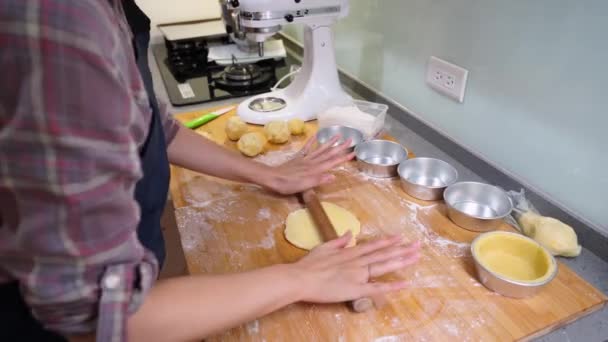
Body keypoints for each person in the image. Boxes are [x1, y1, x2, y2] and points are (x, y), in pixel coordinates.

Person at [0, 1, 421, 341]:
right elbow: (99, 318)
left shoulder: (103, 13)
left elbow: (153, 125)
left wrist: (265, 174)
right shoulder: (62, 19)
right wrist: (300, 278)